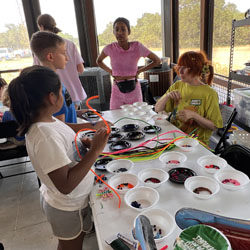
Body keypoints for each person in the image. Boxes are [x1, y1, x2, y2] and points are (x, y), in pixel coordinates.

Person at [8, 65, 110, 250]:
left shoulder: (47, 119)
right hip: (67, 207)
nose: (64, 96)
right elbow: (65, 185)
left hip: (69, 203)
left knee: (66, 243)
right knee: (71, 246)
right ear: (52, 97)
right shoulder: (44, 135)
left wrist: (83, 141)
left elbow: (65, 132)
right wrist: (95, 150)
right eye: (61, 91)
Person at [30, 30, 110, 132]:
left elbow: (58, 114)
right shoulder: (50, 87)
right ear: (50, 57)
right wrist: (93, 126)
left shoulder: (54, 79)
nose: (67, 58)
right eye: (64, 53)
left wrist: (79, 113)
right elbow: (60, 127)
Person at [155, 51, 223, 145]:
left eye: (185, 68)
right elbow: (157, 108)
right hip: (174, 137)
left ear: (196, 70)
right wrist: (167, 96)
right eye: (179, 67)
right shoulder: (178, 86)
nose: (180, 72)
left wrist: (194, 115)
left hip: (196, 144)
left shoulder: (209, 94)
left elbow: (214, 126)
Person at [96, 17, 161, 110]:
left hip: (134, 89)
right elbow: (99, 61)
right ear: (113, 32)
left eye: (123, 29)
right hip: (117, 89)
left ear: (129, 31)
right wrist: (111, 72)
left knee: (136, 117)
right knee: (115, 117)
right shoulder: (109, 48)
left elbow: (157, 60)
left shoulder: (137, 46)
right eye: (117, 29)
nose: (119, 32)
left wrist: (139, 71)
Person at [34, 13, 86, 109]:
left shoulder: (41, 49)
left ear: (41, 27)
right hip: (73, 92)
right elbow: (81, 69)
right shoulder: (70, 44)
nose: (67, 58)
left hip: (53, 95)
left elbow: (38, 73)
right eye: (63, 53)